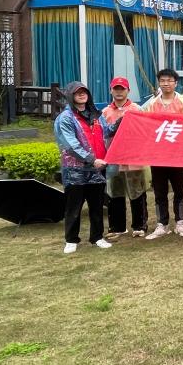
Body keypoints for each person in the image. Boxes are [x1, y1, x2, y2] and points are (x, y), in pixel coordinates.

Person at [55, 81, 112, 254]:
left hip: (97, 169)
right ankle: (71, 239)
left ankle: (97, 237)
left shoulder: (96, 115)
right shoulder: (65, 118)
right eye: (77, 92)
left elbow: (107, 131)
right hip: (75, 170)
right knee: (74, 207)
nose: (81, 95)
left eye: (84, 92)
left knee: (96, 205)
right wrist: (91, 159)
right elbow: (70, 145)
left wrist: (122, 122)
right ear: (70, 96)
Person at [142, 68, 183, 240]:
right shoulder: (151, 104)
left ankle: (181, 222)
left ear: (175, 83)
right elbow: (145, 126)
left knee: (179, 190)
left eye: (169, 80)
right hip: (157, 155)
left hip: (177, 154)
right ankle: (161, 224)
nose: (166, 84)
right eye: (162, 81)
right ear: (159, 83)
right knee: (160, 191)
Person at [100, 77, 149, 239]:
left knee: (137, 192)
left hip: (133, 159)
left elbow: (145, 132)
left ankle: (139, 225)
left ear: (128, 91)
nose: (119, 92)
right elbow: (102, 135)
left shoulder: (137, 109)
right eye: (116, 89)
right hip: (113, 159)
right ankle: (117, 227)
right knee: (115, 193)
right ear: (111, 90)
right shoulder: (105, 112)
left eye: (122, 89)